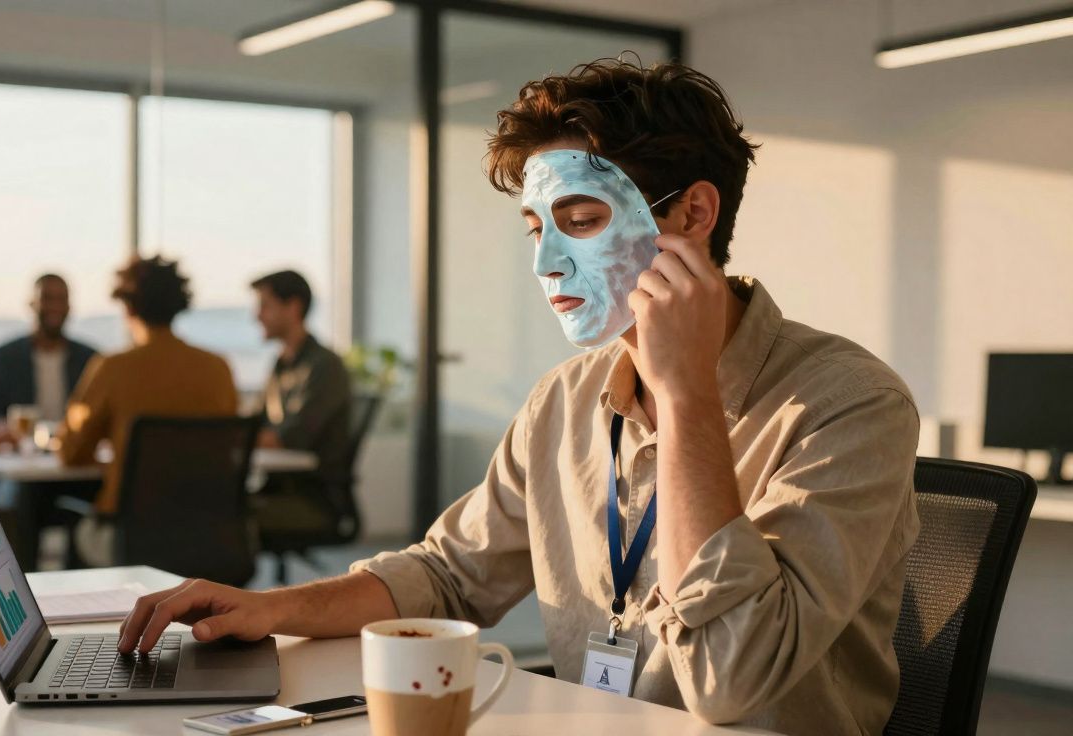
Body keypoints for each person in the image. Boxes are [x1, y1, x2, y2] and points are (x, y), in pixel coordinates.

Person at [118, 59, 919, 735]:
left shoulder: (851, 403)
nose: (546, 266)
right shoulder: (563, 401)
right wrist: (267, 609)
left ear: (693, 214)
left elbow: (731, 677)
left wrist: (686, 395)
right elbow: (445, 575)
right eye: (537, 229)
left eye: (579, 219)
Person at [58, 256, 238, 564]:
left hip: (131, 540)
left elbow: (70, 451)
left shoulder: (112, 368)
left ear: (127, 308)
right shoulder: (217, 369)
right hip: (211, 536)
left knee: (70, 521)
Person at [250, 270, 352, 481]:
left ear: (293, 307)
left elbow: (287, 439)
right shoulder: (281, 365)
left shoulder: (324, 366)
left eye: (265, 306)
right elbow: (255, 423)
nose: (257, 315)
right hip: (275, 489)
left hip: (307, 497)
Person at [0, 273, 96, 431]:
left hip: (76, 452)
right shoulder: (2, 358)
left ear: (69, 306)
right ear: (32, 304)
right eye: (47, 298)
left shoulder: (90, 360)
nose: (55, 307)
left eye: (61, 299)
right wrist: (4, 427)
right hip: (19, 453)